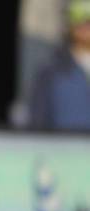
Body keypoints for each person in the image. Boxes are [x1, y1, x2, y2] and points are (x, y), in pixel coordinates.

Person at [29, 0, 90, 130]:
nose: (86, 26)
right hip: (64, 147)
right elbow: (37, 120)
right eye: (80, 20)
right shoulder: (50, 72)